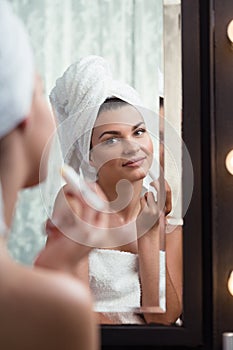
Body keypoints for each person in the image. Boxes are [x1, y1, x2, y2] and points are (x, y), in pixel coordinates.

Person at [35, 56, 182, 325]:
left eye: (138, 132)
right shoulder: (76, 205)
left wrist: (148, 237)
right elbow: (76, 314)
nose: (132, 147)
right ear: (90, 156)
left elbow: (165, 320)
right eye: (111, 138)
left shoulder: (170, 225)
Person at [0, 3, 108, 349]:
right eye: (38, 87)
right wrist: (57, 277)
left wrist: (54, 266)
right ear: (21, 115)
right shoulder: (56, 309)